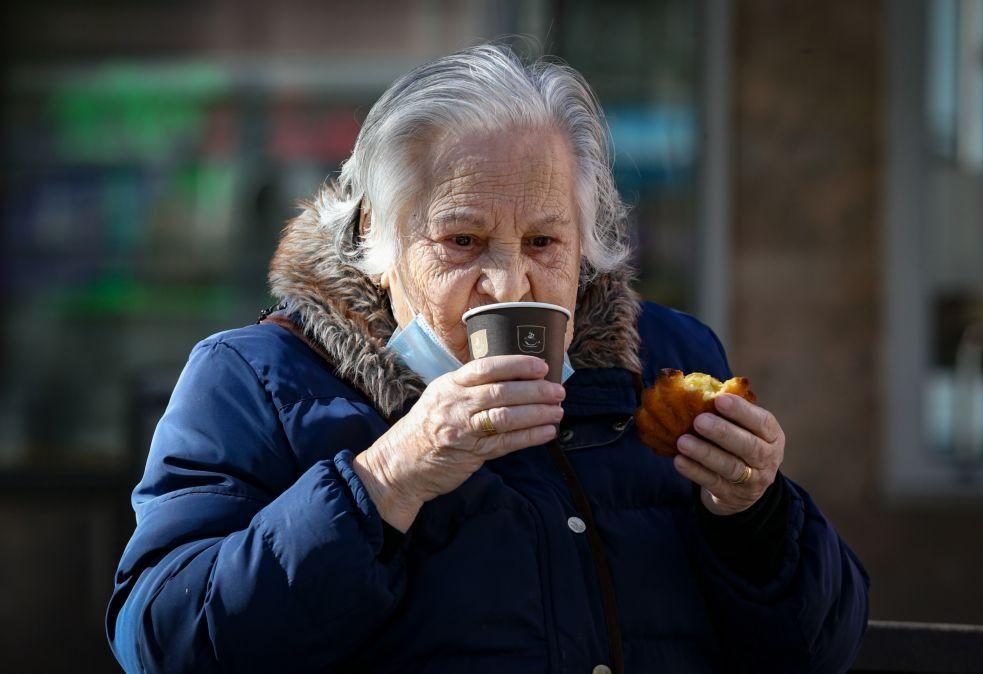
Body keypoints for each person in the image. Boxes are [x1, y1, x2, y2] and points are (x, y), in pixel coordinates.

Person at [106, 44, 869, 673]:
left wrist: (755, 514)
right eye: (462, 241)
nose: (511, 282)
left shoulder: (667, 364)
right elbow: (162, 644)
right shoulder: (258, 380)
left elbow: (819, 650)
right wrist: (386, 478)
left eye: (543, 241)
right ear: (378, 237)